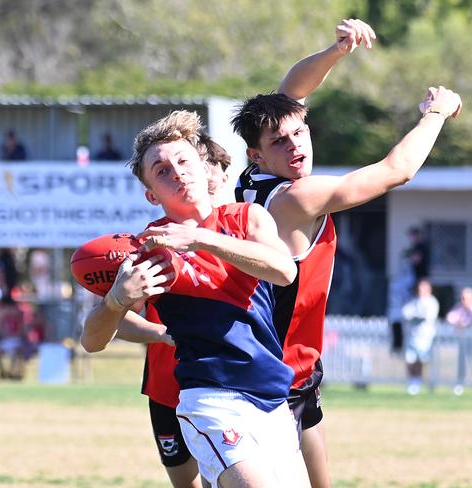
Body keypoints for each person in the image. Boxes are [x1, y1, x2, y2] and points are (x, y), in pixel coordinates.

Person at [232, 18, 460, 487]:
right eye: (280, 142)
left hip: (290, 361)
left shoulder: (252, 177)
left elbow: (291, 91)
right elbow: (396, 171)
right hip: (276, 369)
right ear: (258, 154)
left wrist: (335, 52)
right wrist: (436, 112)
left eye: (300, 133)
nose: (295, 145)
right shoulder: (296, 197)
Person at [81, 111, 310, 487]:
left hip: (271, 396)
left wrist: (200, 239)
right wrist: (116, 302)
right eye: (162, 170)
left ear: (205, 169)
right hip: (210, 400)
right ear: (151, 194)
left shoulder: (247, 218)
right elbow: (91, 339)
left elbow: (284, 270)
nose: (177, 173)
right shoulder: (145, 249)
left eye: (184, 161)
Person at [401, 279, 439, 395]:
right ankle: (412, 382)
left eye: (424, 287)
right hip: (412, 335)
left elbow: (426, 316)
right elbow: (405, 313)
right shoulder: (414, 301)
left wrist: (415, 315)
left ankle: (418, 382)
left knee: (421, 360)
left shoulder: (432, 302)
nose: (421, 290)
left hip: (425, 337)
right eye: (420, 287)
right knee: (410, 359)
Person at [446, 287, 472, 395]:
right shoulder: (458, 308)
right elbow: (450, 319)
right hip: (463, 342)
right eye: (462, 298)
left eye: (466, 298)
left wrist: (464, 324)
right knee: (462, 364)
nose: (463, 301)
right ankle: (460, 384)